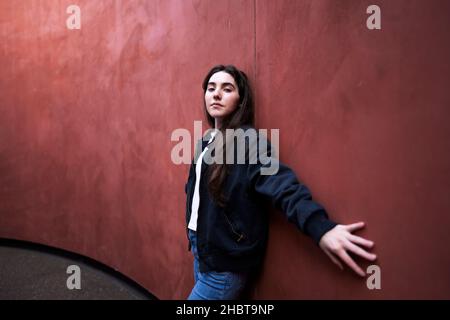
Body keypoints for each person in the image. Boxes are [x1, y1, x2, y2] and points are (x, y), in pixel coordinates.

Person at [184, 64, 377, 300]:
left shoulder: (248, 142)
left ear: (240, 99)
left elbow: (281, 185)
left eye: (227, 88)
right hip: (201, 251)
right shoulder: (205, 142)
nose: (216, 94)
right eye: (211, 88)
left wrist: (321, 228)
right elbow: (196, 192)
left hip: (225, 264)